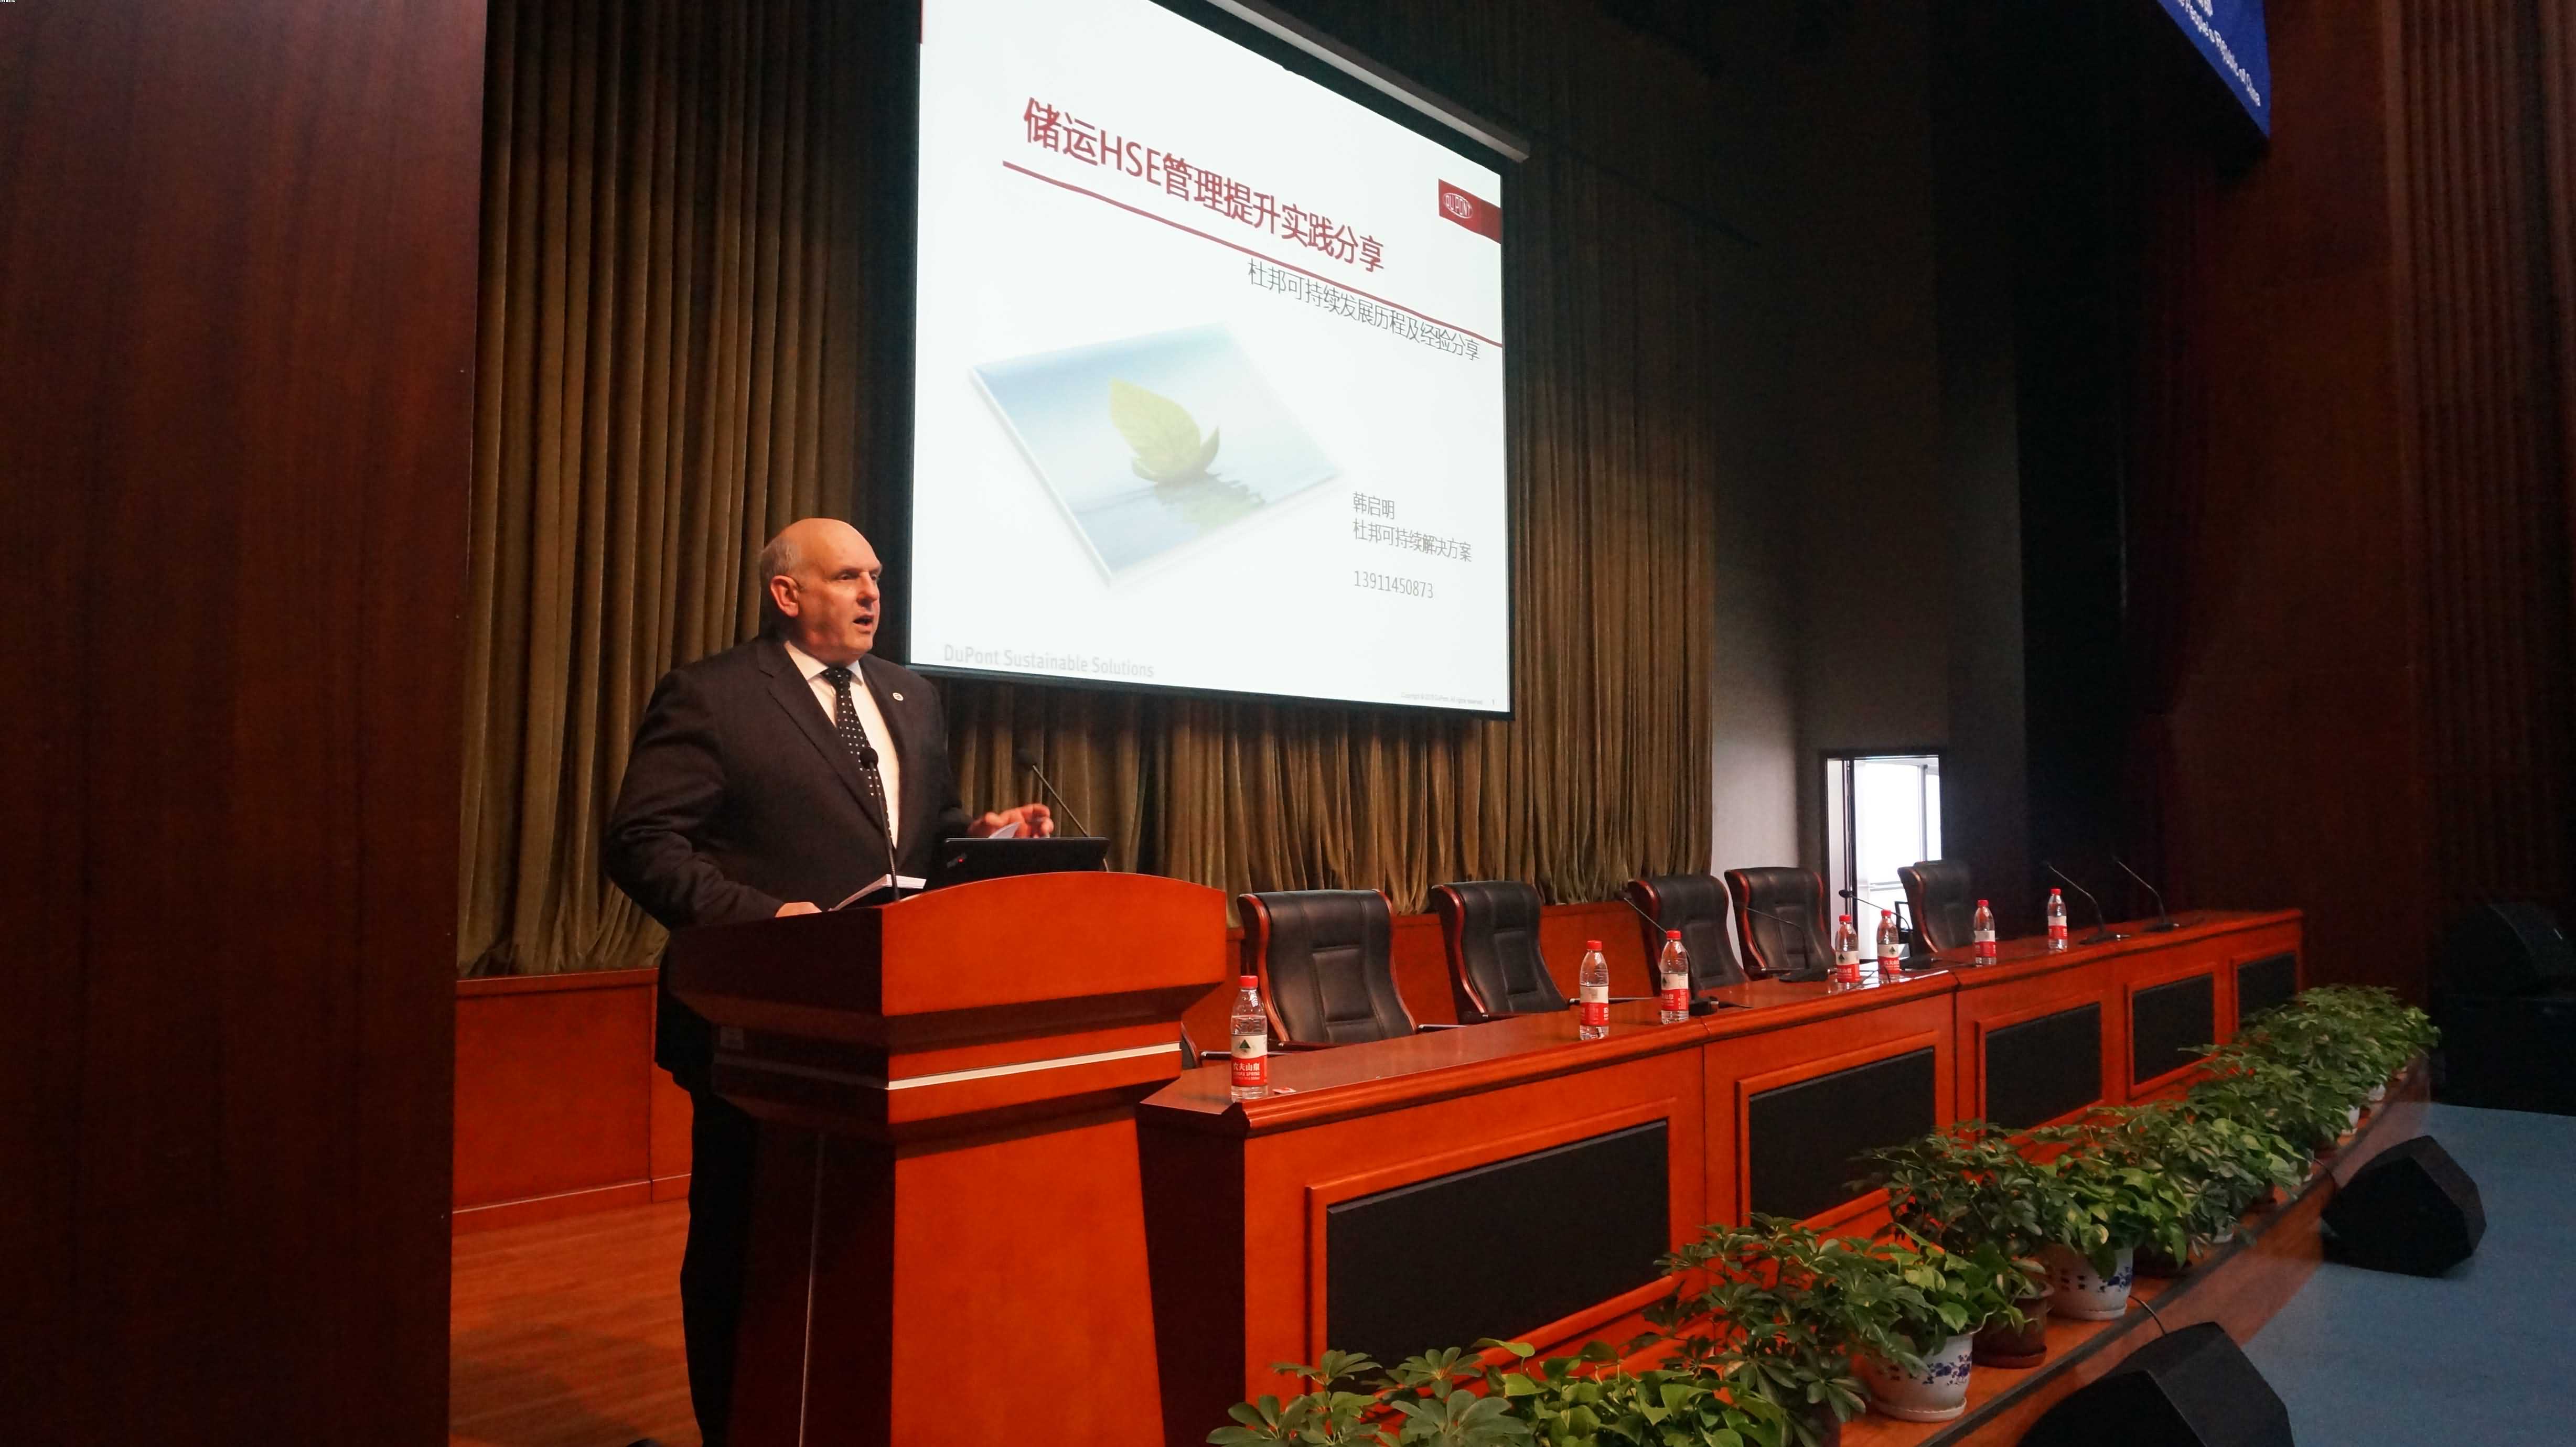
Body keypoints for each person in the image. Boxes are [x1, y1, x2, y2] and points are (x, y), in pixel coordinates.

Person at [604, 517, 1050, 1446]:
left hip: (889, 1028)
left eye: (875, 576)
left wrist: (985, 838)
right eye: (848, 576)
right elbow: (643, 843)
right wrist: (769, 919)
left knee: (863, 1248)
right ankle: (736, 1429)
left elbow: (928, 843)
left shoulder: (911, 696)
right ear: (787, 594)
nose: (872, 593)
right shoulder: (714, 695)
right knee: (744, 1246)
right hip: (757, 1020)